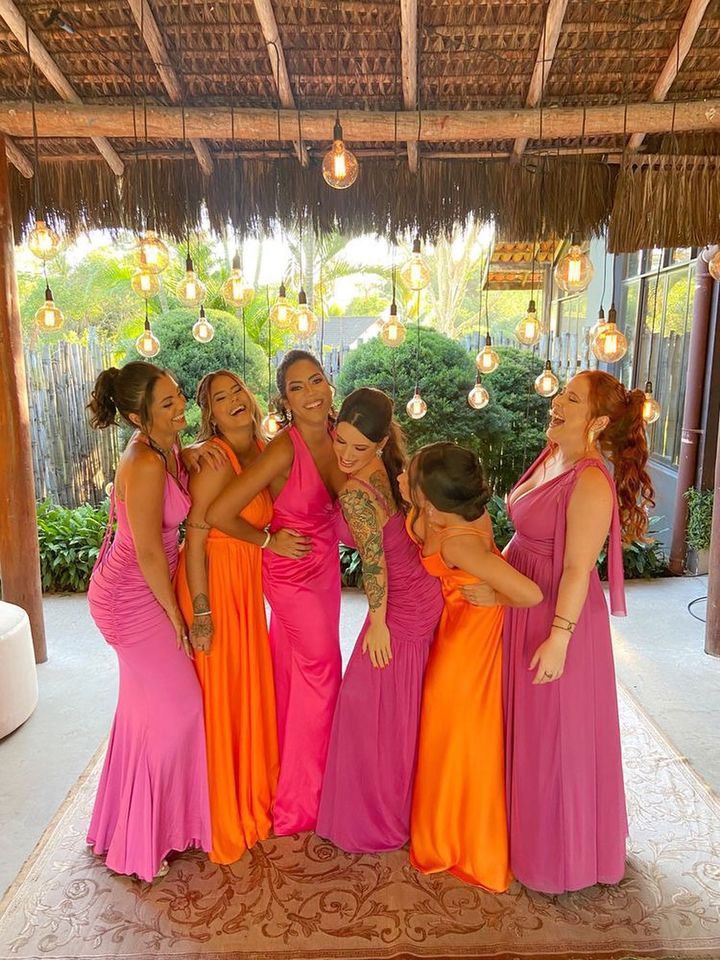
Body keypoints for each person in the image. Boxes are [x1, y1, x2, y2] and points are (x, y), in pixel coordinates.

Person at [487, 370, 654, 894]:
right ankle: (521, 835)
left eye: (572, 398)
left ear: (598, 421)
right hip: (522, 598)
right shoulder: (550, 452)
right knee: (524, 728)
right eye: (562, 393)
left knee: (554, 736)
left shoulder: (588, 478)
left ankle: (560, 857)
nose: (557, 402)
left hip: (560, 613)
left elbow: (579, 568)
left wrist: (559, 637)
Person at [206, 350, 345, 835]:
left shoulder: (337, 436)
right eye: (296, 388)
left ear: (330, 384)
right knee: (324, 672)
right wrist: (267, 539)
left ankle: (284, 776)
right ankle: (301, 803)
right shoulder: (284, 449)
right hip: (290, 573)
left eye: (316, 381)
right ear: (284, 401)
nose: (310, 394)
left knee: (292, 674)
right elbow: (218, 513)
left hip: (325, 568)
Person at [85, 362, 210, 882]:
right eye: (167, 403)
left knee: (143, 711)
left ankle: (131, 825)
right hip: (130, 596)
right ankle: (146, 837)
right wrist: (176, 614)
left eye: (178, 395)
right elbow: (147, 556)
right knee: (181, 709)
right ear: (139, 416)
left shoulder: (166, 447)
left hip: (143, 587)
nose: (180, 406)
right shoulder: (145, 462)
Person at [405, 442, 542, 891]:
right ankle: (446, 835)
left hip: (470, 643)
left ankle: (455, 844)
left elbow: (530, 594)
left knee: (460, 738)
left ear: (430, 494)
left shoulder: (462, 544)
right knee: (450, 737)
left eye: (413, 474)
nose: (406, 477)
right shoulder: (445, 514)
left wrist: (496, 595)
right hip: (454, 626)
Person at [316, 389, 443, 853]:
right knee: (397, 709)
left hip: (401, 607)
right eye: (341, 442)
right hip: (423, 591)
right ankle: (402, 808)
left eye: (359, 447)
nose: (346, 455)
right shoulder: (389, 470)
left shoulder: (354, 491)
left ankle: (378, 819)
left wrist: (378, 622)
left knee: (367, 709)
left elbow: (374, 563)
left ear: (380, 444)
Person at [175, 370, 279, 864]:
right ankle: (220, 811)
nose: (234, 400)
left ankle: (252, 796)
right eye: (221, 398)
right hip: (213, 581)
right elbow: (194, 538)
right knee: (222, 693)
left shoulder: (266, 446)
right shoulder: (216, 458)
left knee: (246, 690)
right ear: (210, 414)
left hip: (246, 583)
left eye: (237, 389)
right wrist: (201, 611)